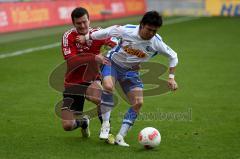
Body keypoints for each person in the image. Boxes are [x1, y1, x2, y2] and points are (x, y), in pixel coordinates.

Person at [78, 11, 178, 146]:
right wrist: (88, 37)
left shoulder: (156, 42)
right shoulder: (127, 31)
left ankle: (120, 136)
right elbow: (108, 31)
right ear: (142, 25)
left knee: (138, 103)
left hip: (131, 72)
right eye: (149, 29)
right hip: (112, 63)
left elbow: (173, 56)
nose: (151, 33)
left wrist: (171, 78)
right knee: (108, 86)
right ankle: (106, 125)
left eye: (154, 31)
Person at [61, 7, 116, 137]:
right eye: (79, 23)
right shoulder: (68, 36)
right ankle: (84, 122)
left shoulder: (98, 33)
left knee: (101, 99)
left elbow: (115, 43)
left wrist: (113, 48)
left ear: (89, 20)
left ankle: (107, 130)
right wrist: (94, 57)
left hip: (91, 78)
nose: (83, 25)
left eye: (85, 21)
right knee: (67, 126)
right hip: (72, 83)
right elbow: (71, 61)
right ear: (74, 24)